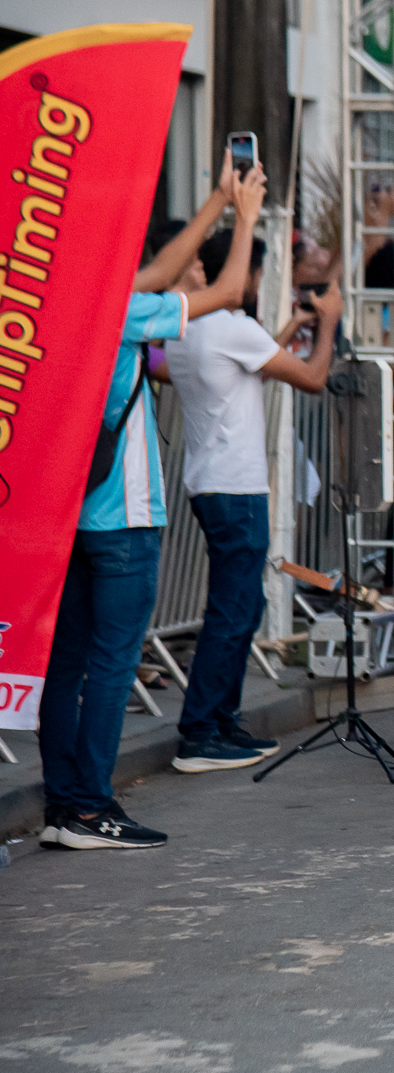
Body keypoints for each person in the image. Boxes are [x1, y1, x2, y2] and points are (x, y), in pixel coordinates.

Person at [39, 161, 259, 848]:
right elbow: (224, 289)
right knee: (111, 663)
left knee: (66, 664)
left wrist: (215, 201)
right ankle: (92, 806)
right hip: (124, 516)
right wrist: (243, 216)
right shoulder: (119, 310)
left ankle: (62, 805)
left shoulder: (47, 301)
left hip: (65, 514)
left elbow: (160, 271)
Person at [164, 185, 344, 774]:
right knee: (235, 611)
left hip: (209, 480)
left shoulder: (190, 327)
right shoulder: (233, 328)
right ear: (247, 273)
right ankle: (201, 731)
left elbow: (245, 368)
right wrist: (328, 326)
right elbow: (313, 378)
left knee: (232, 607)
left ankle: (220, 722)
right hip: (237, 487)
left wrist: (289, 324)